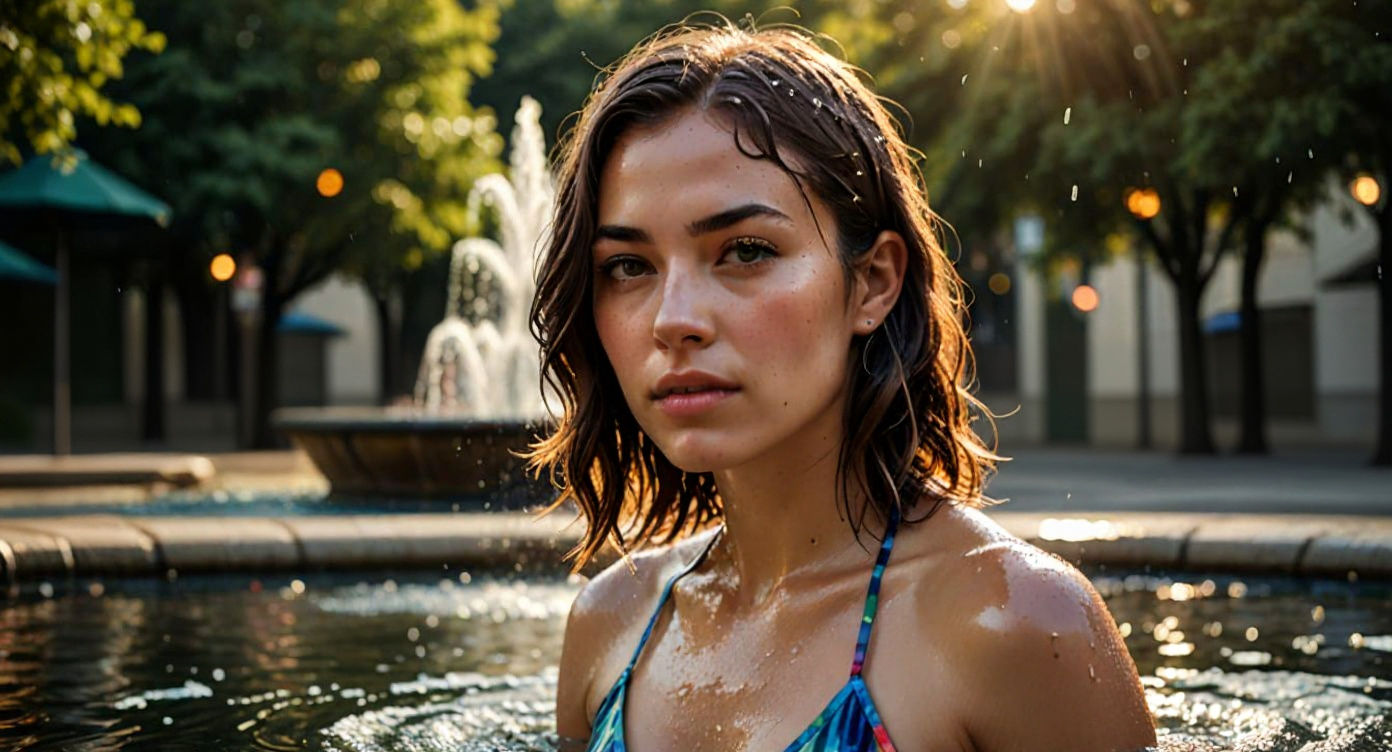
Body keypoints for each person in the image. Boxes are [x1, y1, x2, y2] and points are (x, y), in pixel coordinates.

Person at [528, 20, 1157, 752]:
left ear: (873, 282)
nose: (674, 320)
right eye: (628, 266)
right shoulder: (611, 621)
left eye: (745, 251)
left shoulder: (1012, 624)